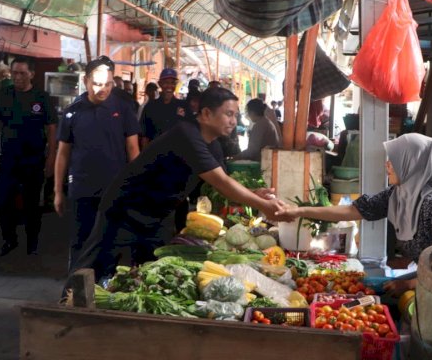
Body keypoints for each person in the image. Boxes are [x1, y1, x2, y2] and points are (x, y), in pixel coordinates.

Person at [68, 87, 290, 282]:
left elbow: (216, 186)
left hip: (158, 215)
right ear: (205, 114)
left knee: (153, 272)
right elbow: (222, 182)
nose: (233, 121)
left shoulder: (213, 145)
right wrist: (261, 202)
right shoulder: (187, 135)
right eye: (228, 114)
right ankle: (65, 312)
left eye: (236, 115)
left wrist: (252, 193)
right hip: (125, 209)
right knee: (94, 268)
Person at [276, 133, 432, 295]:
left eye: (394, 160)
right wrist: (299, 211)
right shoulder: (399, 194)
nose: (387, 165)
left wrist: (410, 284)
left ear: (413, 163)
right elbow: (353, 210)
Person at [54, 56, 140, 271]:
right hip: (82, 188)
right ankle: (75, 287)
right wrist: (57, 191)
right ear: (85, 81)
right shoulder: (72, 111)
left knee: (110, 240)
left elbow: (133, 150)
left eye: (108, 84)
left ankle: (104, 285)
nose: (103, 89)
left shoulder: (124, 108)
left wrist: (137, 185)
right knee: (80, 240)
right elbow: (62, 153)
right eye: (97, 84)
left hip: (114, 187)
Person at [0, 56, 58, 256]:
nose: (17, 77)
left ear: (32, 74)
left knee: (32, 204)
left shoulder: (42, 97)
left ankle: (32, 243)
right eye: (15, 73)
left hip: (34, 160)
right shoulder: (3, 95)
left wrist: (51, 157)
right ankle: (9, 239)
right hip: (9, 158)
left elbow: (52, 129)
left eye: (22, 73)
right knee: (3, 202)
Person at [139, 69, 183, 149]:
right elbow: (144, 136)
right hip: (154, 155)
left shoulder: (183, 106)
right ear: (160, 84)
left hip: (177, 156)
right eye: (166, 82)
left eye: (173, 83)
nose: (169, 86)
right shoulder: (150, 107)